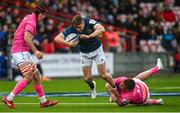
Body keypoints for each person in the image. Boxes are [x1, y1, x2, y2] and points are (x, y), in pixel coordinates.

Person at [2, 5, 58, 109]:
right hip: (20, 51)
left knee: (36, 75)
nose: (44, 18)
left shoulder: (28, 17)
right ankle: (8, 98)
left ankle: (43, 101)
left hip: (23, 51)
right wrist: (36, 51)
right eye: (44, 16)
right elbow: (27, 37)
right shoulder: (32, 22)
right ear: (40, 14)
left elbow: (17, 33)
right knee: (28, 77)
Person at [54, 15, 118, 99]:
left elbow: (102, 29)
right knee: (86, 78)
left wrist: (89, 36)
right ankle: (92, 86)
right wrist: (69, 44)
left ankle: (114, 89)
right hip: (84, 53)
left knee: (103, 75)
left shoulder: (89, 22)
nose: (78, 30)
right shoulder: (72, 28)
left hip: (97, 50)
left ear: (83, 22)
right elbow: (57, 38)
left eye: (79, 27)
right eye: (76, 28)